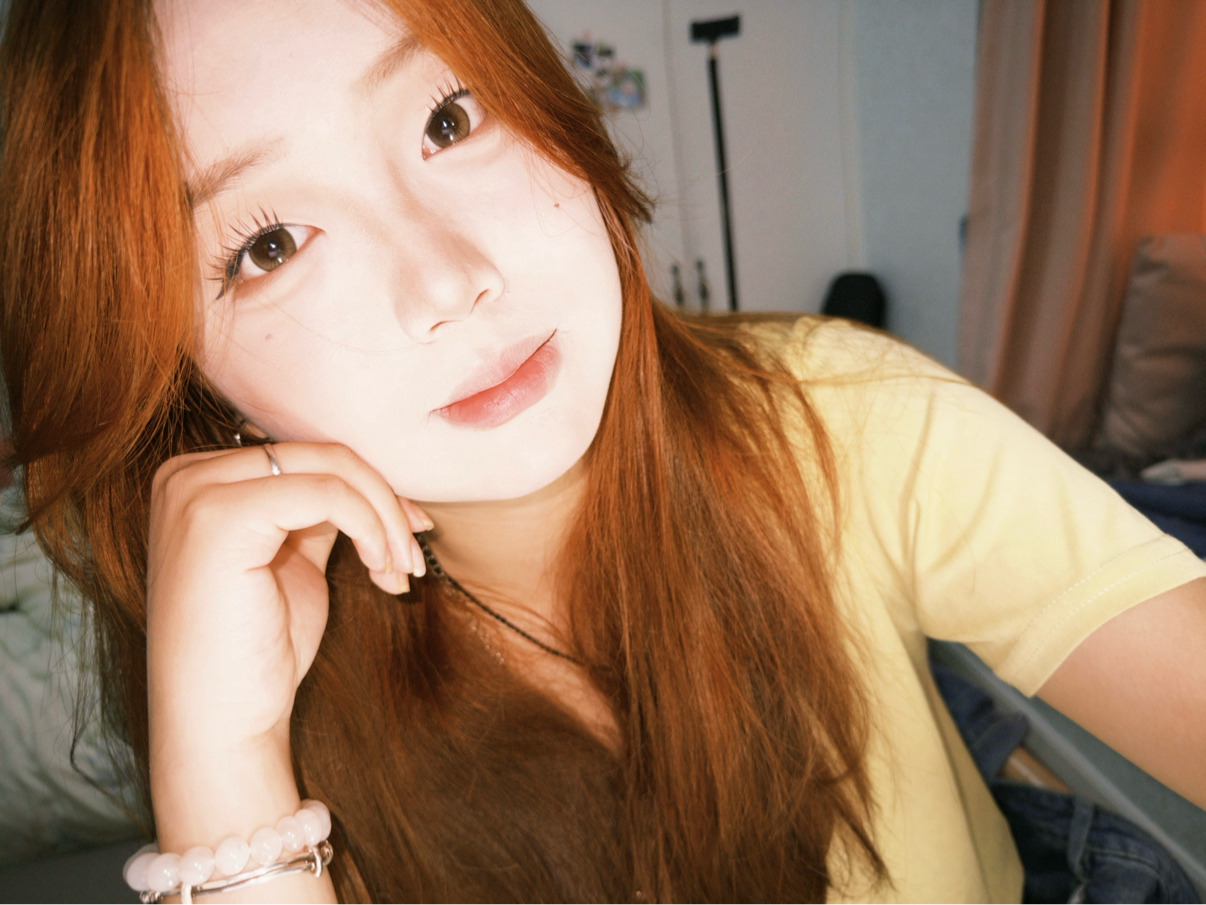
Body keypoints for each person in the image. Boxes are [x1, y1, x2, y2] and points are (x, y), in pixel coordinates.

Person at [1, 0, 1204, 901]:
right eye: (270, 245)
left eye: (449, 118)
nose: (451, 279)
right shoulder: (262, 669)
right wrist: (226, 776)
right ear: (186, 384)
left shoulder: (840, 418)